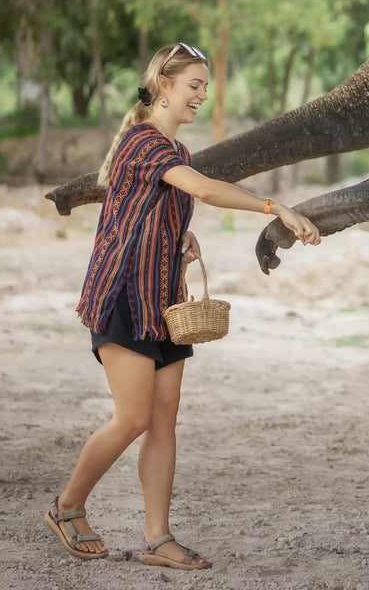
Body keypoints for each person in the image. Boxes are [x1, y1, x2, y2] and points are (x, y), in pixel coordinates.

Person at [44, 42, 320, 570]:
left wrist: (182, 235)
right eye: (194, 86)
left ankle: (157, 539)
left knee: (164, 418)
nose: (200, 96)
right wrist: (275, 206)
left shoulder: (174, 150)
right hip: (124, 297)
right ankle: (68, 506)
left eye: (205, 88)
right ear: (163, 85)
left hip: (163, 300)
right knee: (132, 418)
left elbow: (156, 206)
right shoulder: (144, 143)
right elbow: (205, 190)